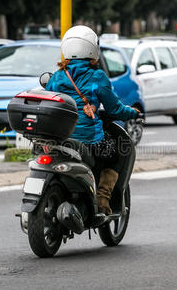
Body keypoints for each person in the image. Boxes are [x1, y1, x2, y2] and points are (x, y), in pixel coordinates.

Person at [45, 25, 139, 215]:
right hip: (89, 140)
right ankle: (103, 198)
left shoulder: (56, 77)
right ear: (92, 48)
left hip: (61, 138)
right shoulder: (97, 76)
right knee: (119, 152)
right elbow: (115, 109)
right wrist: (133, 113)